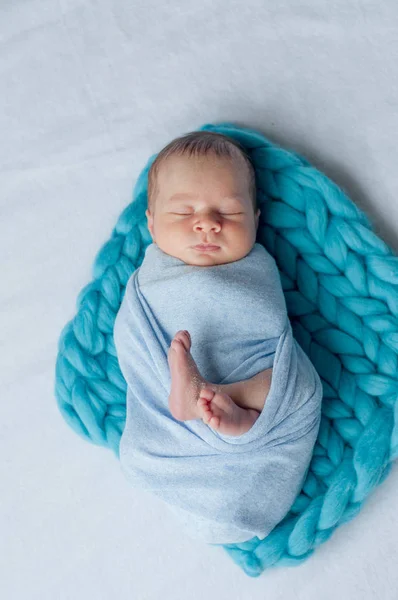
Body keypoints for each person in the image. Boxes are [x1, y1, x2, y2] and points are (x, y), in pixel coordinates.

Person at [144, 130, 273, 436]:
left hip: (256, 382)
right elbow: (133, 341)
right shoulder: (148, 284)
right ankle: (216, 403)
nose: (208, 224)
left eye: (230, 211)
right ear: (151, 224)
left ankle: (220, 401)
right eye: (183, 211)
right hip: (173, 419)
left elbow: (271, 328)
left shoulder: (259, 268)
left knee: (298, 385)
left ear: (255, 221)